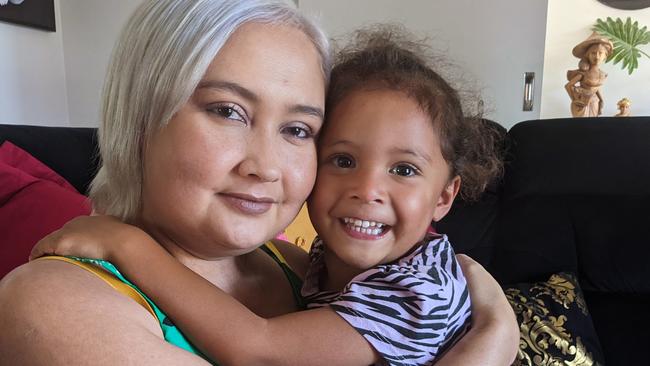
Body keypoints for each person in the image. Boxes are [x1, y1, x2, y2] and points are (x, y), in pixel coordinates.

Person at [0, 1, 517, 365]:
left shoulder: (293, 264)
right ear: (139, 118)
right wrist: (492, 341)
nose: (267, 166)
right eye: (228, 111)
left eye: (297, 129)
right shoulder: (54, 306)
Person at [565, 32, 613, 117]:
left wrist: (601, 100)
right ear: (588, 55)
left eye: (600, 53)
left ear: (605, 56)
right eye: (593, 53)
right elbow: (568, 86)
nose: (597, 57)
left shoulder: (602, 74)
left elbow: (596, 88)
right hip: (582, 103)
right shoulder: (583, 73)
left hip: (595, 102)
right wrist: (575, 100)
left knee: (592, 126)